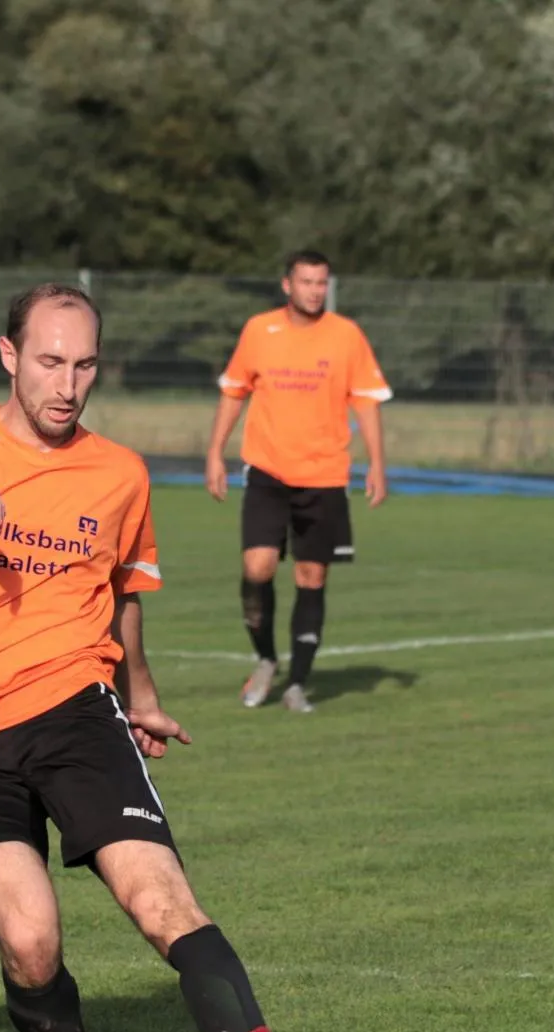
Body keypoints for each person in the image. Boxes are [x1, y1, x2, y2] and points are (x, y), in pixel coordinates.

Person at [0, 283, 335, 1032]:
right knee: (28, 937)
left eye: (84, 365)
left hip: (76, 712)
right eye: (50, 361)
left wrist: (141, 693)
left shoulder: (120, 473)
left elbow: (121, 595)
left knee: (162, 901)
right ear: (9, 355)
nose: (68, 384)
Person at [204, 250, 392, 713]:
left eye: (321, 282)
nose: (314, 290)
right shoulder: (259, 330)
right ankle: (266, 658)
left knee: (311, 575)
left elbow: (366, 401)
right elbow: (234, 392)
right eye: (306, 281)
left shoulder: (346, 335)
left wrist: (377, 463)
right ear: (287, 284)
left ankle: (297, 684)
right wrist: (214, 453)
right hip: (267, 470)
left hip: (324, 475)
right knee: (258, 568)